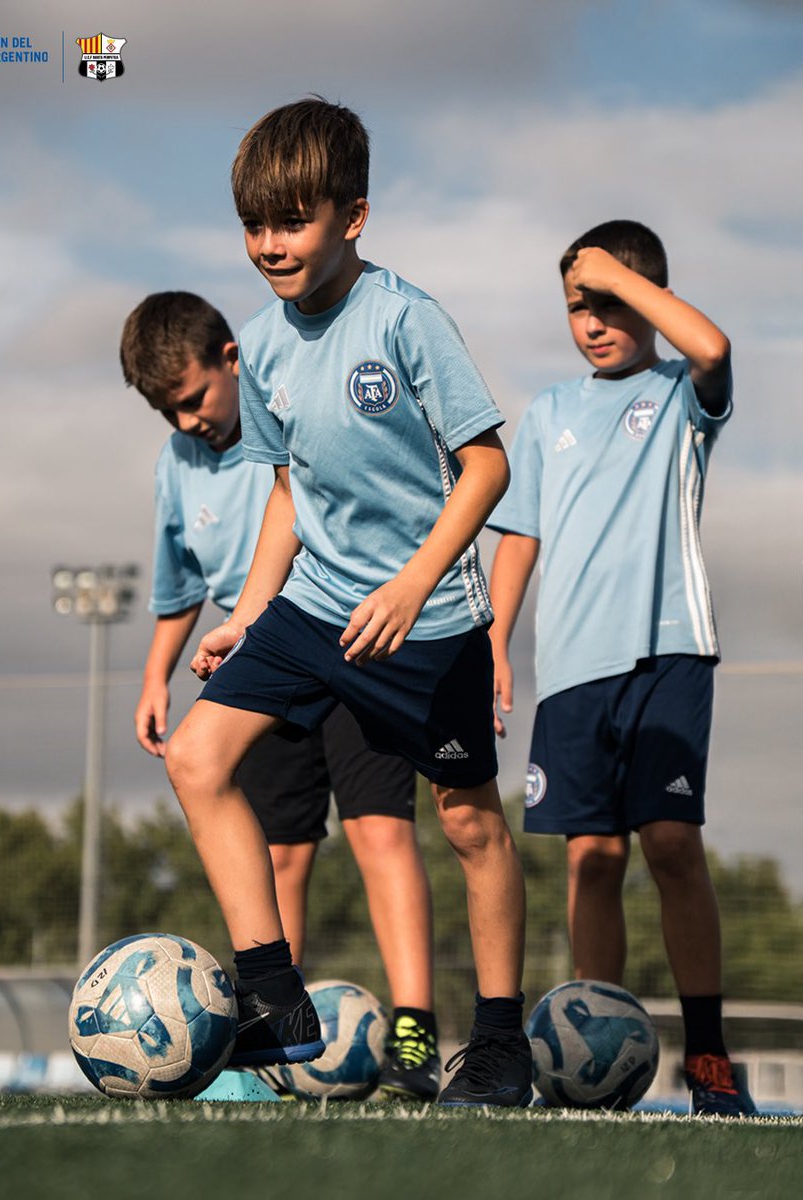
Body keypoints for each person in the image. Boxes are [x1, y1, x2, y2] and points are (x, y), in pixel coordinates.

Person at [163, 97, 531, 1108]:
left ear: (352, 216)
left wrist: (416, 583)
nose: (270, 246)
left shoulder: (407, 319)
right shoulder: (259, 343)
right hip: (311, 609)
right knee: (196, 758)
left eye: (293, 221)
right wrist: (246, 610)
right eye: (255, 226)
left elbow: (488, 467)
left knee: (468, 824)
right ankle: (274, 994)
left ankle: (499, 1045)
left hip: (429, 625)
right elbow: (290, 490)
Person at [120, 290, 440, 1100]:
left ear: (231, 359)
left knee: (379, 834)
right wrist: (156, 673)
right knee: (281, 851)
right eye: (168, 411)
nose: (187, 421)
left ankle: (414, 1032)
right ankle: (275, 1035)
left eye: (192, 398)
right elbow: (180, 586)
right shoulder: (175, 466)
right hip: (261, 662)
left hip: (349, 636)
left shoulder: (287, 418)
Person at [487, 219, 756, 1116]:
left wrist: (620, 277)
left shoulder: (684, 391)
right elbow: (519, 537)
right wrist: (495, 639)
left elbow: (710, 341)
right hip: (570, 669)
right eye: (577, 306)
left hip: (668, 651)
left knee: (672, 846)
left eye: (609, 302)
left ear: (645, 298)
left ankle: (710, 1058)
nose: (593, 321)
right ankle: (591, 1052)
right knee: (591, 859)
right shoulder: (550, 413)